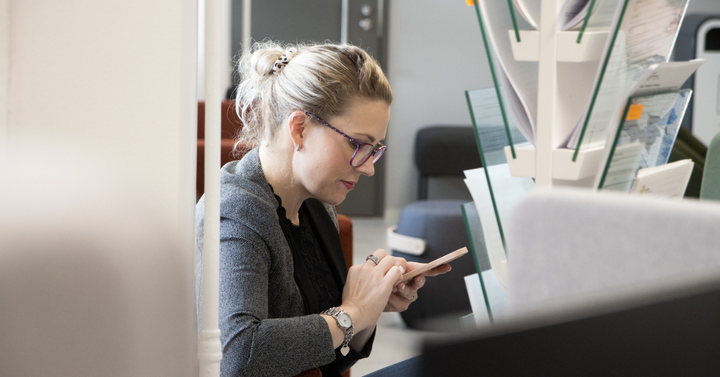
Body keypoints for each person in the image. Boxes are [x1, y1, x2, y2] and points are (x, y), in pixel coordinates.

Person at [195, 41, 451, 377]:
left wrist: (368, 309)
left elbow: (326, 359)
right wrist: (353, 312)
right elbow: (239, 355)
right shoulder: (235, 211)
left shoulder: (314, 202)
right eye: (357, 144)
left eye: (373, 149)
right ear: (299, 128)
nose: (368, 167)